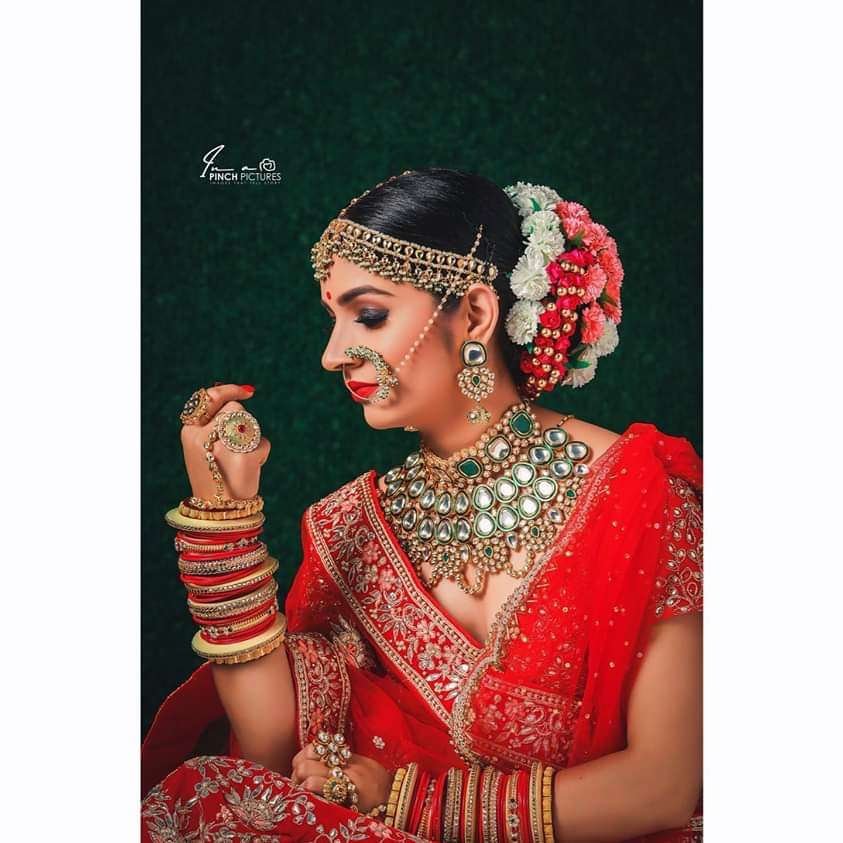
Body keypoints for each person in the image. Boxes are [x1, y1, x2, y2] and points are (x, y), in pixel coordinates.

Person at [141, 168, 703, 842]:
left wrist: (410, 803)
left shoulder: (638, 493)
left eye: (369, 315)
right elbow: (273, 760)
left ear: (475, 314)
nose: (331, 355)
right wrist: (225, 519)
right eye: (333, 319)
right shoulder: (351, 527)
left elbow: (664, 787)